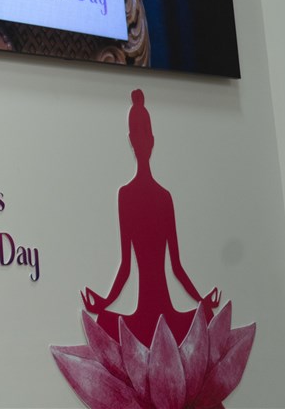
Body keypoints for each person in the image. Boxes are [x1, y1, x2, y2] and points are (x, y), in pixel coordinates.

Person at [80, 89, 220, 346]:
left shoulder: (164, 197)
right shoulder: (126, 196)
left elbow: (176, 266)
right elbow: (125, 266)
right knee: (103, 321)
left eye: (145, 133)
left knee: (207, 317)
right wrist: (105, 302)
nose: (142, 140)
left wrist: (202, 300)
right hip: (143, 314)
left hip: (167, 311)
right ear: (132, 140)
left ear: (152, 139)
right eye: (138, 134)